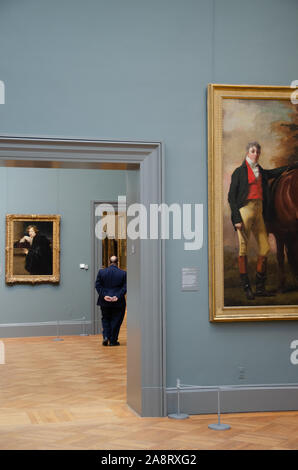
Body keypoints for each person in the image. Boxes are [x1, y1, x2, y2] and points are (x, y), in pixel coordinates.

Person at [228, 141, 291, 300]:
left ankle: (260, 288)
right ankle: (247, 288)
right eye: (253, 151)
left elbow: (273, 172)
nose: (255, 154)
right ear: (247, 152)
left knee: (264, 248)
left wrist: (290, 167)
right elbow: (231, 198)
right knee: (243, 249)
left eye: (257, 152)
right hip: (244, 212)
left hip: (259, 212)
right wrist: (236, 218)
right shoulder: (239, 172)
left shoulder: (261, 171)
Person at [95, 255, 126, 346]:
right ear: (118, 263)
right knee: (116, 320)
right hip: (118, 301)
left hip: (105, 301)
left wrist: (105, 296)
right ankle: (113, 341)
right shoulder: (123, 273)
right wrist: (117, 296)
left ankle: (106, 337)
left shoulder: (101, 272)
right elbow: (125, 287)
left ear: (109, 262)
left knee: (105, 319)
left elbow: (97, 285)